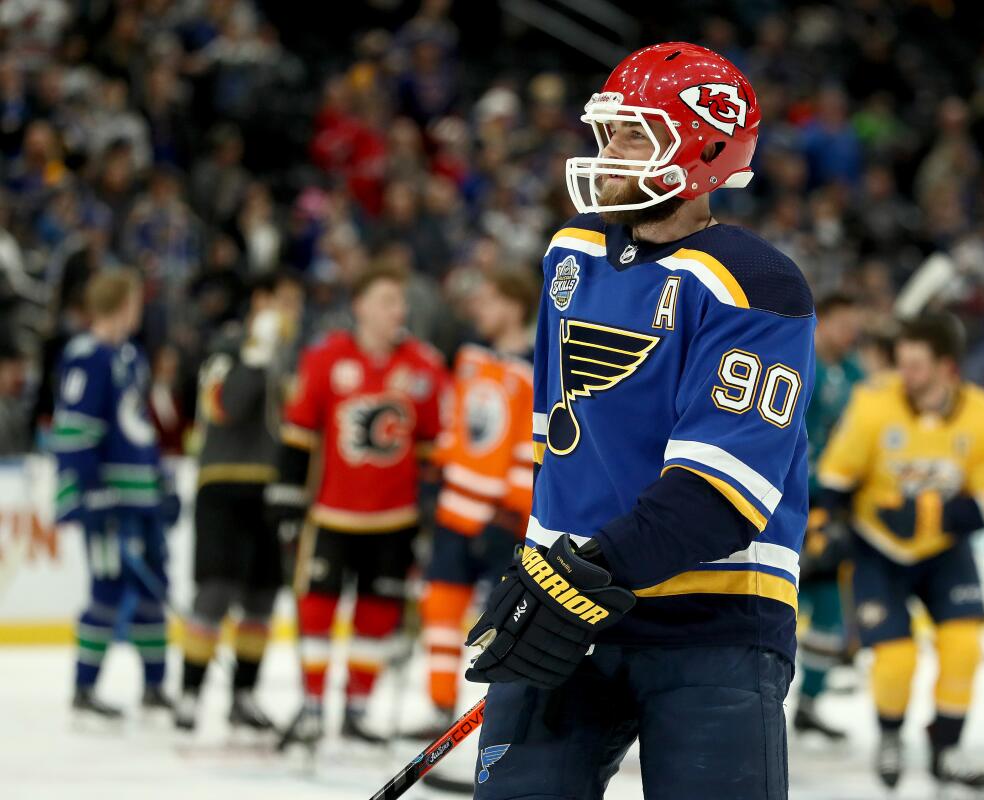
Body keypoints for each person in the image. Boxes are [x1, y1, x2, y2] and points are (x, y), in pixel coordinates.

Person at [465, 42, 816, 800]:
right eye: (608, 133)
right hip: (570, 613)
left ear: (704, 149)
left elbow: (719, 497)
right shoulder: (573, 251)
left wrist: (578, 574)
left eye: (633, 134)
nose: (607, 153)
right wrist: (537, 571)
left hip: (713, 624)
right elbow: (560, 449)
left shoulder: (755, 285)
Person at [817, 313, 984, 792]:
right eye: (902, 364)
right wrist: (827, 525)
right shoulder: (872, 406)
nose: (905, 375)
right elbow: (834, 479)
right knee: (896, 658)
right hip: (876, 550)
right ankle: (890, 737)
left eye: (917, 366)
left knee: (964, 646)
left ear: (948, 368)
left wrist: (929, 516)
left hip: (944, 550)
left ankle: (947, 748)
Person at [268, 264, 448, 748]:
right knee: (318, 608)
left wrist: (433, 503)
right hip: (332, 514)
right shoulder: (326, 359)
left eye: (401, 301)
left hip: (396, 517)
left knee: (377, 612)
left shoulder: (424, 367)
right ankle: (310, 705)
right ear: (361, 306)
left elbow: (434, 445)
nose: (399, 310)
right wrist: (285, 497)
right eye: (388, 299)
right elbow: (298, 435)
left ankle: (357, 709)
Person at [175, 271, 305, 734]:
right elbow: (224, 407)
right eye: (283, 301)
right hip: (223, 484)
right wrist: (255, 354)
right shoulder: (228, 349)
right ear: (261, 300)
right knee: (215, 591)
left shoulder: (291, 358)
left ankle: (243, 694)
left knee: (261, 597)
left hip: (270, 489)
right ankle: (190, 693)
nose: (291, 312)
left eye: (296, 303)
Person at [52, 268, 181, 719]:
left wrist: (161, 481)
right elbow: (74, 429)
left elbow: (139, 427)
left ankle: (154, 685)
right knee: (107, 588)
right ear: (122, 304)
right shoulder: (86, 355)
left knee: (153, 589)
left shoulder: (130, 355)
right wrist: (88, 491)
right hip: (108, 498)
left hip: (140, 497)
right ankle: (84, 689)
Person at [420, 269, 538, 734]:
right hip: (454, 510)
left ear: (513, 305)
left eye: (488, 300)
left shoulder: (535, 368)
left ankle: (502, 720)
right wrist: (433, 481)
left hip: (500, 521)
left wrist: (509, 513)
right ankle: (437, 707)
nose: (478, 309)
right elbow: (454, 422)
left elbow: (528, 447)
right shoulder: (467, 356)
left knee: (502, 624)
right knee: (440, 609)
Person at [793, 292, 863, 740]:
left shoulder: (856, 373)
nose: (850, 332)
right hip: (789, 500)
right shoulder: (799, 359)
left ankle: (810, 703)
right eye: (844, 322)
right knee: (778, 597)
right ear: (823, 322)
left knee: (830, 608)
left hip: (832, 507)